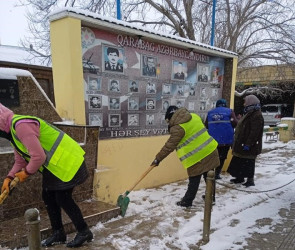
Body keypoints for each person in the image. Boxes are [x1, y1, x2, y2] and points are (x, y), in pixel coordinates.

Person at [0, 103, 93, 248]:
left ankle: (84, 231)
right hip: (57, 165)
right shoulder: (13, 132)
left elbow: (38, 157)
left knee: (63, 198)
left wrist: (25, 173)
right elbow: (20, 160)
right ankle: (59, 233)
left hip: (68, 160)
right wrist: (9, 177)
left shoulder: (20, 126)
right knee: (48, 195)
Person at [150, 106, 220, 207]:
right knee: (209, 176)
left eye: (168, 121)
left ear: (171, 117)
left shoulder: (178, 128)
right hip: (210, 150)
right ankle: (211, 197)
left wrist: (158, 159)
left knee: (194, 180)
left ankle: (187, 201)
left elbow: (169, 146)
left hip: (196, 157)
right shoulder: (194, 116)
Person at [227, 95, 264, 187]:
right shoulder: (249, 112)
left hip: (249, 144)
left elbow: (254, 132)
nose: (244, 104)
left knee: (249, 161)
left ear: (250, 102)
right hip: (242, 142)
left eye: (245, 102)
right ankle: (239, 177)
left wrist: (248, 144)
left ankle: (250, 180)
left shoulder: (256, 115)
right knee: (240, 160)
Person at [205, 99, 238, 179]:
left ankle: (210, 173)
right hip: (225, 139)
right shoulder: (229, 111)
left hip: (213, 139)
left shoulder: (210, 113)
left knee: (213, 157)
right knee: (222, 157)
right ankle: (217, 174)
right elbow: (235, 123)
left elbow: (206, 125)